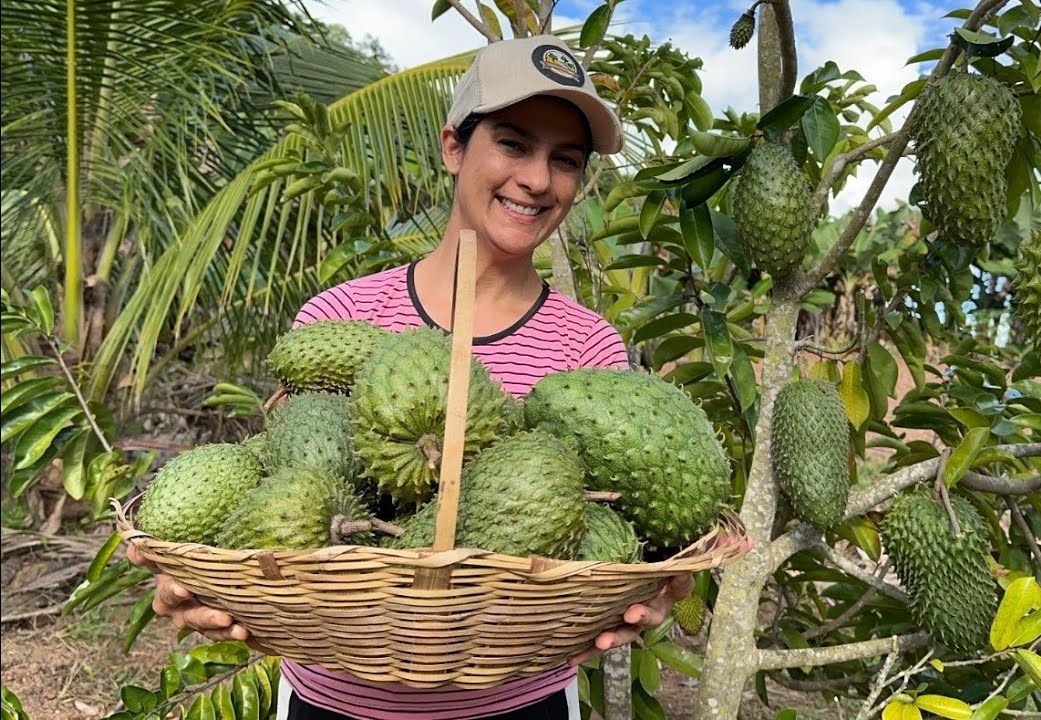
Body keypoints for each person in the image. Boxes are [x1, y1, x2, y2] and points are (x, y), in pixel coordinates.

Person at [128, 34, 696, 720]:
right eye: (514, 144)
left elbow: (630, 534)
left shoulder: (589, 345)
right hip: (334, 706)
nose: (539, 180)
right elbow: (275, 478)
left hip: (522, 706)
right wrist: (208, 582)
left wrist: (652, 587)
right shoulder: (342, 314)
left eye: (565, 161)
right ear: (455, 146)